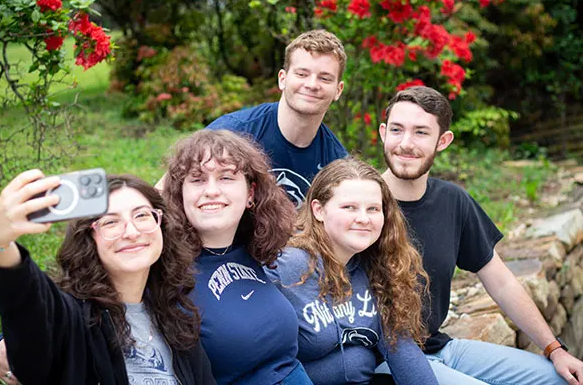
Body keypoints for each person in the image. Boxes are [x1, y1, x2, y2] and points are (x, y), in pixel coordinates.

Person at [375, 85, 583, 385]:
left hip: (438, 347)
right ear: (383, 132)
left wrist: (554, 349)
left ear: (443, 141)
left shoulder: (453, 201)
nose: (405, 143)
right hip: (384, 361)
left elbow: (501, 281)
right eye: (397, 130)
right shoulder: (360, 201)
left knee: (560, 379)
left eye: (421, 132)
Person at [0, 171, 215, 384]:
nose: (132, 232)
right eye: (111, 222)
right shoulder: (72, 317)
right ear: (88, 239)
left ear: (160, 225)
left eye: (142, 215)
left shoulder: (175, 319)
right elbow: (29, 306)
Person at [265, 157, 438, 385]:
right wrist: (352, 364)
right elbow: (261, 364)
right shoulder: (285, 268)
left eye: (373, 209)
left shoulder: (378, 265)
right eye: (350, 207)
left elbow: (402, 349)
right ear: (318, 210)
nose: (364, 219)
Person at [162, 129, 313, 384]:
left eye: (226, 178)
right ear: (180, 194)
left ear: (250, 194)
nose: (211, 191)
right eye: (197, 179)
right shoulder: (164, 268)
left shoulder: (254, 249)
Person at [156, 29, 348, 207]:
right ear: (282, 79)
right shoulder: (233, 132)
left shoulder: (335, 159)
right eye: (302, 74)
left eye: (325, 78)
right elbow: (163, 191)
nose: (312, 84)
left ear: (338, 90)